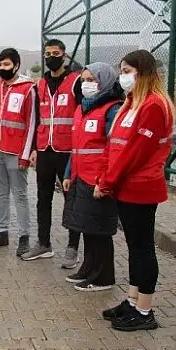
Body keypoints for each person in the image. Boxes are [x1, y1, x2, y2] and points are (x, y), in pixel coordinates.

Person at [97, 50, 175, 331]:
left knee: (142, 249)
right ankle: (132, 301)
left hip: (141, 187)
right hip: (125, 187)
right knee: (133, 246)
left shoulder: (154, 105)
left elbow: (135, 154)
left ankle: (144, 311)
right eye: (122, 70)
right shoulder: (131, 103)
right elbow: (115, 144)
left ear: (143, 73)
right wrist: (105, 175)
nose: (123, 76)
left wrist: (108, 181)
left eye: (128, 70)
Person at [61, 62, 123, 292]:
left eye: (91, 80)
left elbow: (114, 147)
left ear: (104, 81)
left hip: (98, 179)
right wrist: (69, 173)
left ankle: (103, 277)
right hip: (80, 177)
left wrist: (105, 180)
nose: (86, 84)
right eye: (84, 80)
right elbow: (76, 147)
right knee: (87, 226)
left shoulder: (112, 109)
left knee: (100, 229)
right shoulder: (82, 108)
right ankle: (88, 268)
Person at [29, 39, 82, 262]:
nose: (51, 57)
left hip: (67, 150)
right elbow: (35, 119)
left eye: (55, 53)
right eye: (48, 53)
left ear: (64, 55)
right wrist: (32, 149)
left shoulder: (75, 82)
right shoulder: (39, 85)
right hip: (44, 149)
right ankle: (43, 243)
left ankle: (72, 246)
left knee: (72, 199)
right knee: (43, 198)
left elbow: (82, 115)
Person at [0, 48, 34, 257]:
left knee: (20, 194)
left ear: (17, 65)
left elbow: (31, 123)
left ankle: (24, 236)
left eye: (7, 64)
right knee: (1, 193)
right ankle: (1, 232)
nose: (3, 68)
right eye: (0, 65)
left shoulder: (28, 88)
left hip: (16, 150)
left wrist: (26, 153)